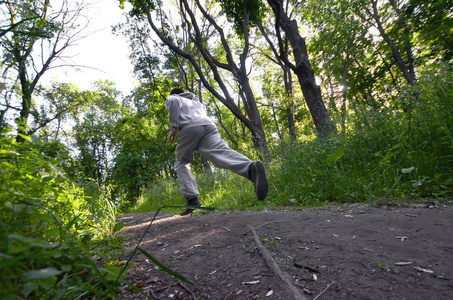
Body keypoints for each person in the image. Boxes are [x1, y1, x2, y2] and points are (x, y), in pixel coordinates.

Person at [166, 87, 268, 216]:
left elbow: (174, 102)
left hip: (190, 127)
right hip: (209, 126)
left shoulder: (173, 98)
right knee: (221, 153)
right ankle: (250, 168)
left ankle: (192, 199)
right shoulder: (198, 104)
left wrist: (173, 127)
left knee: (181, 162)